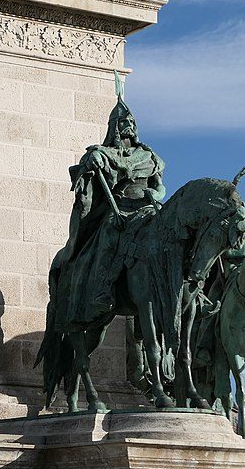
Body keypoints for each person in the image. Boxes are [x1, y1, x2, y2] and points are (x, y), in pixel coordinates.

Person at [48, 72, 166, 331]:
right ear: (114, 127)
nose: (129, 127)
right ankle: (102, 289)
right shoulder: (104, 154)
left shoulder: (149, 156)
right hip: (119, 210)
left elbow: (159, 187)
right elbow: (85, 177)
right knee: (110, 233)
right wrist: (90, 163)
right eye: (124, 123)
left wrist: (155, 196)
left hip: (146, 208)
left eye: (132, 122)